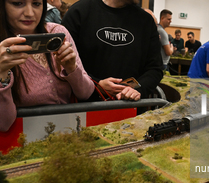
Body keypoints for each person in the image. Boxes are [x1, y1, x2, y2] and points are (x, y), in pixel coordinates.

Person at [0, 0, 95, 132]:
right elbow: (4, 124)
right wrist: (2, 74)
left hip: (68, 132)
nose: (29, 13)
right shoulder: (2, 49)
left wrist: (72, 68)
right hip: (22, 139)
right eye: (18, 3)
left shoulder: (57, 32)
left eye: (36, 4)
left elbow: (86, 93)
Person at [62, 0, 163, 100]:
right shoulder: (79, 12)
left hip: (131, 107)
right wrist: (95, 85)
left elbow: (155, 68)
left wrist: (138, 89)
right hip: (86, 106)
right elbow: (61, 63)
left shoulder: (145, 21)